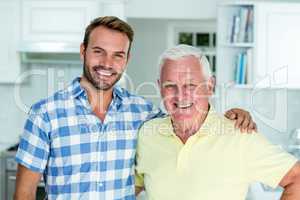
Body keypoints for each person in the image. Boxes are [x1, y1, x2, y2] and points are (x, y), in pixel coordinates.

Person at [14, 17, 256, 200]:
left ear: (126, 60)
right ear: (83, 51)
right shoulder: (45, 114)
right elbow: (24, 194)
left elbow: (187, 116)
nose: (107, 64)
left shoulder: (143, 114)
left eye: (118, 55)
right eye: (99, 52)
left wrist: (233, 114)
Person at [135, 44, 300, 200]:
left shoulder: (240, 136)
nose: (180, 95)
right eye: (170, 85)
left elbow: (296, 179)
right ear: (159, 87)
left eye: (191, 85)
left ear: (210, 85)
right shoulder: (147, 134)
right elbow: (127, 188)